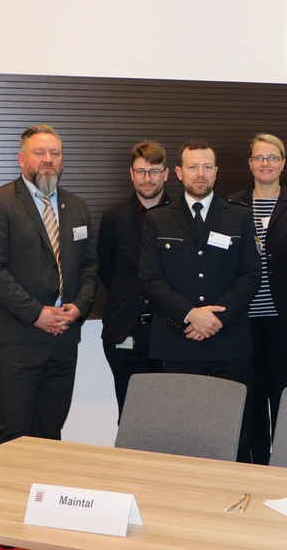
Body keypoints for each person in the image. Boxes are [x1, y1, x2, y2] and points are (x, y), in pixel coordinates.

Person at [0, 124, 98, 446]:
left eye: (55, 153)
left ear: (62, 161)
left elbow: (89, 266)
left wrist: (79, 308)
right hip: (17, 337)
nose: (48, 159)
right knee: (13, 432)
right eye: (39, 152)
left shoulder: (77, 206)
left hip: (64, 338)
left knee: (50, 431)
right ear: (21, 159)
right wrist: (35, 313)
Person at [139, 140, 260, 460]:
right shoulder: (158, 219)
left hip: (229, 342)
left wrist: (216, 318)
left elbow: (250, 276)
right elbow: (150, 280)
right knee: (180, 433)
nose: (200, 173)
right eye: (192, 167)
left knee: (235, 431)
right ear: (179, 173)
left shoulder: (240, 217)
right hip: (178, 342)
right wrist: (191, 314)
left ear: (216, 172)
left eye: (207, 167)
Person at [228, 133, 287, 465]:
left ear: (283, 163)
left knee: (283, 393)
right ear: (250, 164)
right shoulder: (232, 204)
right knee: (250, 394)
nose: (266, 164)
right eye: (259, 158)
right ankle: (257, 466)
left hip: (285, 318)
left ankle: (285, 466)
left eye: (273, 157)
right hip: (242, 319)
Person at [98, 140, 171, 421]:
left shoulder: (182, 216)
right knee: (131, 418)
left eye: (154, 171)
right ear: (131, 174)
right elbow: (107, 271)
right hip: (125, 330)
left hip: (170, 332)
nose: (147, 178)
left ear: (166, 174)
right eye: (141, 171)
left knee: (171, 417)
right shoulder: (113, 218)